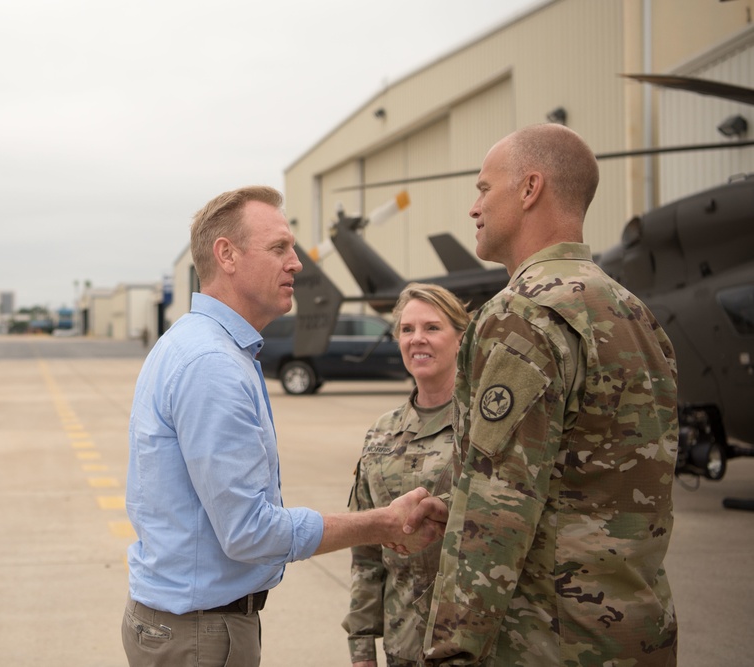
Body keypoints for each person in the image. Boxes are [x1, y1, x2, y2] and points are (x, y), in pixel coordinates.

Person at [121, 185, 431, 667]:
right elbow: (249, 533)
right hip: (202, 633)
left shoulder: (194, 343)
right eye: (279, 248)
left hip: (183, 623)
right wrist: (382, 522)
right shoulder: (211, 364)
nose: (297, 263)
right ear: (226, 255)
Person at [404, 123, 679, 665]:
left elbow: (498, 505)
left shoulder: (522, 313)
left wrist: (451, 650)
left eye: (484, 189)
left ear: (530, 189)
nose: (473, 208)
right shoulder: (634, 312)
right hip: (637, 633)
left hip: (548, 639)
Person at [343, 283, 470, 667]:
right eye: (407, 329)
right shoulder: (382, 432)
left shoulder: (485, 424)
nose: (417, 339)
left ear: (461, 339)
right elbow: (365, 553)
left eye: (432, 328)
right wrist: (362, 648)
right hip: (404, 647)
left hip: (477, 645)